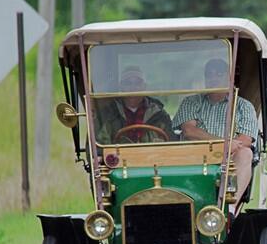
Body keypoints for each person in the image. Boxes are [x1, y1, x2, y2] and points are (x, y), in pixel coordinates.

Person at [173, 58, 258, 204]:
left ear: (229, 78)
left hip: (228, 160)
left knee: (245, 153)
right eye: (209, 75)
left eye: (219, 74)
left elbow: (245, 141)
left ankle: (229, 206)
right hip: (194, 157)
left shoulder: (243, 106)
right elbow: (189, 131)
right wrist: (225, 143)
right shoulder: (191, 101)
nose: (213, 78)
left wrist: (227, 147)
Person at [94, 66, 174, 144]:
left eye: (138, 83)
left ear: (144, 87)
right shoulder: (108, 114)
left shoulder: (159, 115)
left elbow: (171, 143)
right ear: (121, 87)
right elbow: (97, 146)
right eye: (128, 83)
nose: (133, 88)